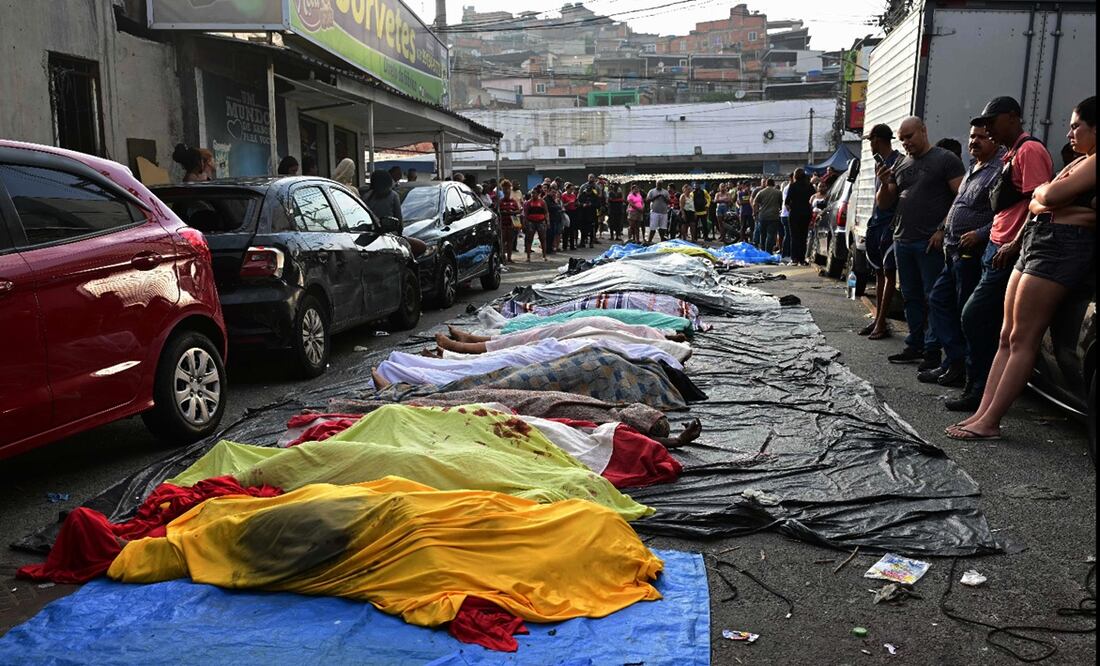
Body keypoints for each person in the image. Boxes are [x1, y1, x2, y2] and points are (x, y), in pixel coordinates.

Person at [947, 96, 1094, 440]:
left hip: (1059, 246)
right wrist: (1046, 196)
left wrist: (1046, 196)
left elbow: (1049, 197)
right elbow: (1041, 199)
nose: (1070, 132)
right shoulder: (1083, 161)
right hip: (1041, 239)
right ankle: (983, 412)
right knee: (1007, 335)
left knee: (1024, 337)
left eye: (1077, 126)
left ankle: (991, 421)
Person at [951, 96, 1055, 411]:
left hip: (1008, 251)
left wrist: (1012, 244)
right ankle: (982, 391)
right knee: (990, 324)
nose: (987, 129)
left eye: (992, 122)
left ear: (1012, 118)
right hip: (995, 248)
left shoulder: (1030, 151)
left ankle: (980, 390)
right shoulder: (1011, 153)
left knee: (974, 316)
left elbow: (1039, 205)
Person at [875, 116, 966, 370]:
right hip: (903, 240)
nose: (905, 143)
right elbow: (885, 203)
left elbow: (961, 199)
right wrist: (884, 184)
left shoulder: (945, 159)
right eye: (901, 139)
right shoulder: (902, 165)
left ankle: (932, 350)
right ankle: (915, 343)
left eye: (909, 137)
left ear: (923, 131)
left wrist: (942, 229)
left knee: (933, 297)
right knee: (910, 296)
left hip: (929, 243)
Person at [922, 122, 1006, 388]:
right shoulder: (973, 168)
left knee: (965, 315)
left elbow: (1004, 215)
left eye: (982, 137)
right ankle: (954, 361)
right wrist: (942, 230)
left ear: (994, 140)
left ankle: (965, 372)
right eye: (972, 137)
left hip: (973, 254)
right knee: (937, 300)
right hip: (953, 252)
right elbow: (957, 206)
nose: (974, 142)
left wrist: (980, 234)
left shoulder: (1000, 170)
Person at [861, 124, 904, 339]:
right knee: (878, 273)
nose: (870, 145)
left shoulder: (897, 163)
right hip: (878, 224)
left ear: (877, 140)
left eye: (871, 141)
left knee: (888, 274)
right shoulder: (882, 163)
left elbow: (888, 200)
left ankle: (881, 323)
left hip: (890, 225)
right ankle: (879, 318)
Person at [784, 169, 814, 265]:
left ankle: (794, 258)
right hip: (806, 214)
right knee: (803, 237)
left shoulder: (793, 186)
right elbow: (813, 199)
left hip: (795, 215)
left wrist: (791, 210)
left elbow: (787, 202)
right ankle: (802, 259)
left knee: (794, 237)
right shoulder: (809, 186)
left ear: (795, 176)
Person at [752, 179, 783, 254]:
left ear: (766, 184)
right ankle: (768, 251)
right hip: (773, 216)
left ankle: (763, 251)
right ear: (774, 184)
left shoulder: (761, 192)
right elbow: (781, 204)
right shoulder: (778, 192)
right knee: (771, 235)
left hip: (762, 216)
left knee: (763, 235)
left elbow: (754, 203)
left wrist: (755, 213)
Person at [496, 179, 522, 264]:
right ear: (502, 190)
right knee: (502, 242)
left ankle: (509, 258)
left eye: (507, 189)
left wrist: (512, 212)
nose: (506, 191)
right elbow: (496, 212)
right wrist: (502, 213)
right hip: (502, 225)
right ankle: (503, 257)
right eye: (504, 189)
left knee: (510, 242)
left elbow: (518, 211)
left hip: (511, 225)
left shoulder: (513, 201)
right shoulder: (500, 202)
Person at [523, 186, 549, 262]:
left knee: (543, 239)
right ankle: (528, 257)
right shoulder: (528, 203)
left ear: (538, 194)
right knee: (529, 239)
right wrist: (525, 223)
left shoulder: (542, 202)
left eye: (534, 193)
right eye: (531, 193)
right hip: (531, 222)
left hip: (541, 221)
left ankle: (544, 256)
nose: (532, 195)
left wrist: (547, 221)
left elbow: (546, 212)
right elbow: (526, 214)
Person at [577, 174, 600, 248]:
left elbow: (598, 203)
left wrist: (591, 204)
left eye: (589, 191)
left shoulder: (595, 194)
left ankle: (591, 242)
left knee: (592, 228)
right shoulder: (582, 193)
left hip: (592, 213)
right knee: (583, 228)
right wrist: (583, 204)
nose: (588, 193)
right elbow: (577, 202)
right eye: (587, 191)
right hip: (583, 213)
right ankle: (582, 242)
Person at [545, 182, 563, 255]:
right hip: (548, 219)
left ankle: (551, 248)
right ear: (549, 191)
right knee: (548, 235)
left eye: (555, 193)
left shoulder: (553, 199)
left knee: (552, 235)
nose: (554, 194)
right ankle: (548, 249)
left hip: (554, 219)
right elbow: (551, 207)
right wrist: (558, 207)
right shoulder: (546, 199)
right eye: (552, 192)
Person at [779, 174, 792, 260]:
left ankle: (786, 253)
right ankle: (786, 253)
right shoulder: (788, 188)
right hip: (787, 214)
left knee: (787, 234)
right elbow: (788, 203)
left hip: (785, 214)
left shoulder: (788, 187)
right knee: (788, 235)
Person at [562, 183, 578, 250]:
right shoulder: (564, 195)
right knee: (566, 229)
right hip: (567, 212)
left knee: (572, 229)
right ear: (567, 189)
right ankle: (564, 245)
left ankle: (572, 245)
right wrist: (568, 203)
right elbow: (562, 205)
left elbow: (576, 202)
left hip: (573, 212)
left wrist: (576, 204)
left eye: (572, 189)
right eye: (570, 189)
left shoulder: (573, 195)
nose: (571, 190)